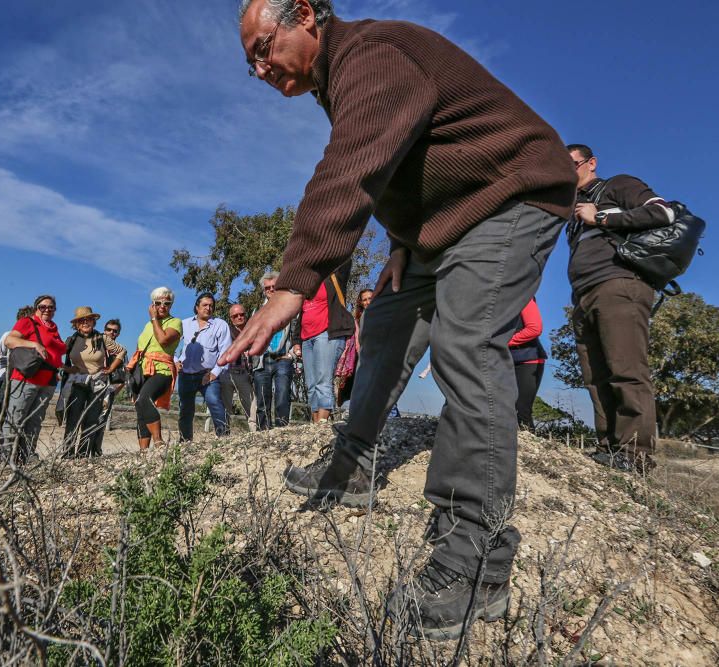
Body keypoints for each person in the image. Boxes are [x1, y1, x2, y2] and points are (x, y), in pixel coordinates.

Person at [230, 0, 575, 639]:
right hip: (439, 226)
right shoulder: (336, 83)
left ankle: (478, 560)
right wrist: (400, 243)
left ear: (305, 15)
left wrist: (293, 283)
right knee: (386, 323)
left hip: (510, 196)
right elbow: (399, 168)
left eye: (261, 47)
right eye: (249, 59)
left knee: (466, 344)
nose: (257, 67)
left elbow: (349, 173)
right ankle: (353, 465)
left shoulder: (374, 53)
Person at [567, 144, 670, 473]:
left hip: (619, 284)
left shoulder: (618, 185)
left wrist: (600, 216)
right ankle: (610, 448)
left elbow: (664, 214)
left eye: (572, 165)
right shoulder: (572, 210)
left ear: (591, 163)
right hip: (583, 295)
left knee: (626, 368)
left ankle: (635, 454)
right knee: (595, 375)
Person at [1, 295, 67, 465]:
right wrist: (34, 345)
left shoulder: (54, 327)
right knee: (15, 418)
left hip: (48, 382)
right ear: (36, 307)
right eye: (42, 306)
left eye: (51, 307)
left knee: (35, 421)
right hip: (27, 379)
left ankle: (27, 455)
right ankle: (7, 457)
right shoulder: (27, 322)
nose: (47, 310)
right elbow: (10, 340)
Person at [59, 306, 125, 458]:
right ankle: (67, 454)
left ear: (94, 322)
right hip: (77, 383)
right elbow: (57, 356)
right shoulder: (71, 340)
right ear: (76, 324)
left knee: (91, 419)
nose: (85, 322)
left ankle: (82, 455)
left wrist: (110, 368)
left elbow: (121, 351)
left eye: (88, 319)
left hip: (97, 384)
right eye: (81, 320)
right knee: (73, 419)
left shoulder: (102, 338)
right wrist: (69, 370)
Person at [293, 260, 353, 422]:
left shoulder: (334, 277)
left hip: (326, 334)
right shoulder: (304, 287)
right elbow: (301, 315)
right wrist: (296, 340)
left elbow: (345, 258)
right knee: (311, 385)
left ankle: (322, 422)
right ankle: (315, 423)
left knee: (323, 380)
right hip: (306, 339)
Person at [129, 287, 181, 451]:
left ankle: (159, 442)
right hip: (143, 370)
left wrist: (154, 319)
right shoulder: (146, 326)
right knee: (140, 408)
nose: (162, 306)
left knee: (145, 399)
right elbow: (139, 347)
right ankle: (143, 451)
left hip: (162, 370)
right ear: (152, 304)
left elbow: (164, 340)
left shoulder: (175, 322)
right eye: (158, 303)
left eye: (166, 303)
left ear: (171, 305)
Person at [174, 293, 232, 441]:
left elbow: (225, 351)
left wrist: (215, 373)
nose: (208, 308)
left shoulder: (220, 325)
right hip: (186, 374)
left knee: (214, 402)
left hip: (208, 375)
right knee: (185, 409)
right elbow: (170, 344)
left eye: (211, 305)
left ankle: (223, 438)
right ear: (197, 307)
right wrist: (175, 361)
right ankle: (185, 442)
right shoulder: (184, 324)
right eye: (205, 305)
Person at [250, 272, 295, 429]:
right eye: (267, 288)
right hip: (262, 360)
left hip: (283, 358)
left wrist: (292, 354)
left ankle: (281, 432)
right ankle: (264, 435)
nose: (270, 290)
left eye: (274, 287)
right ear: (264, 291)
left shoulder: (290, 308)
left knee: (282, 397)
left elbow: (296, 332)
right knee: (262, 401)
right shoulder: (257, 311)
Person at [509, 298, 546, 431]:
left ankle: (528, 444)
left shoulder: (525, 297)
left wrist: (505, 342)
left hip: (528, 359)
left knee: (521, 409)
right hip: (501, 360)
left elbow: (534, 328)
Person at [219, 303, 257, 431]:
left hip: (244, 374)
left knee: (252, 407)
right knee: (225, 407)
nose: (239, 317)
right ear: (231, 318)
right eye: (235, 316)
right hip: (227, 373)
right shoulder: (226, 331)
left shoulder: (252, 330)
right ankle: (223, 433)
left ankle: (255, 434)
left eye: (242, 314)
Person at [334, 287, 373, 407]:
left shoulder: (384, 315)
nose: (367, 302)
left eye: (370, 299)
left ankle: (391, 417)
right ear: (360, 302)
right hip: (361, 357)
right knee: (360, 388)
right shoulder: (357, 320)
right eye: (364, 300)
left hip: (378, 357)